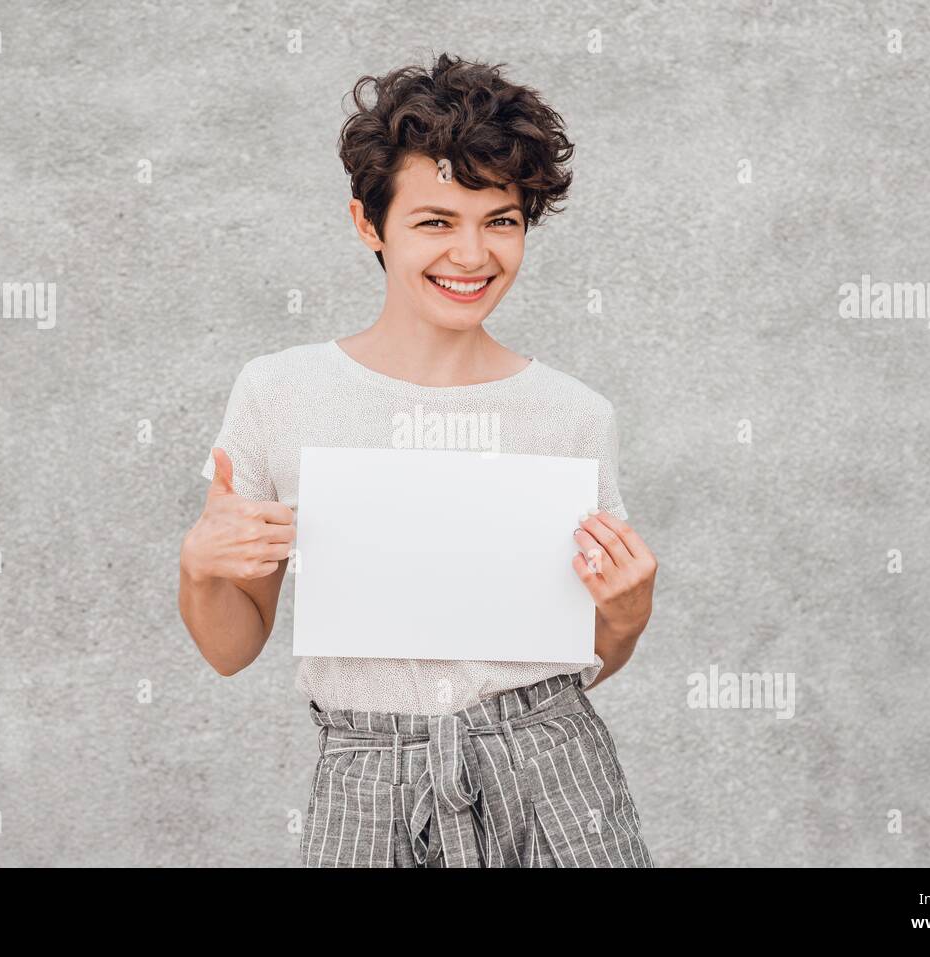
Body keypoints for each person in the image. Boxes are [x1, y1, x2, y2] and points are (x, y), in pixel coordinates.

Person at [179, 52, 658, 867]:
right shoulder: (279, 393)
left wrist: (627, 611)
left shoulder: (575, 415)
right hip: (367, 779)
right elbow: (232, 648)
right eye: (436, 220)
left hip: (555, 774)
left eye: (500, 220)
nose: (471, 256)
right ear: (370, 224)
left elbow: (584, 660)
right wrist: (200, 565)